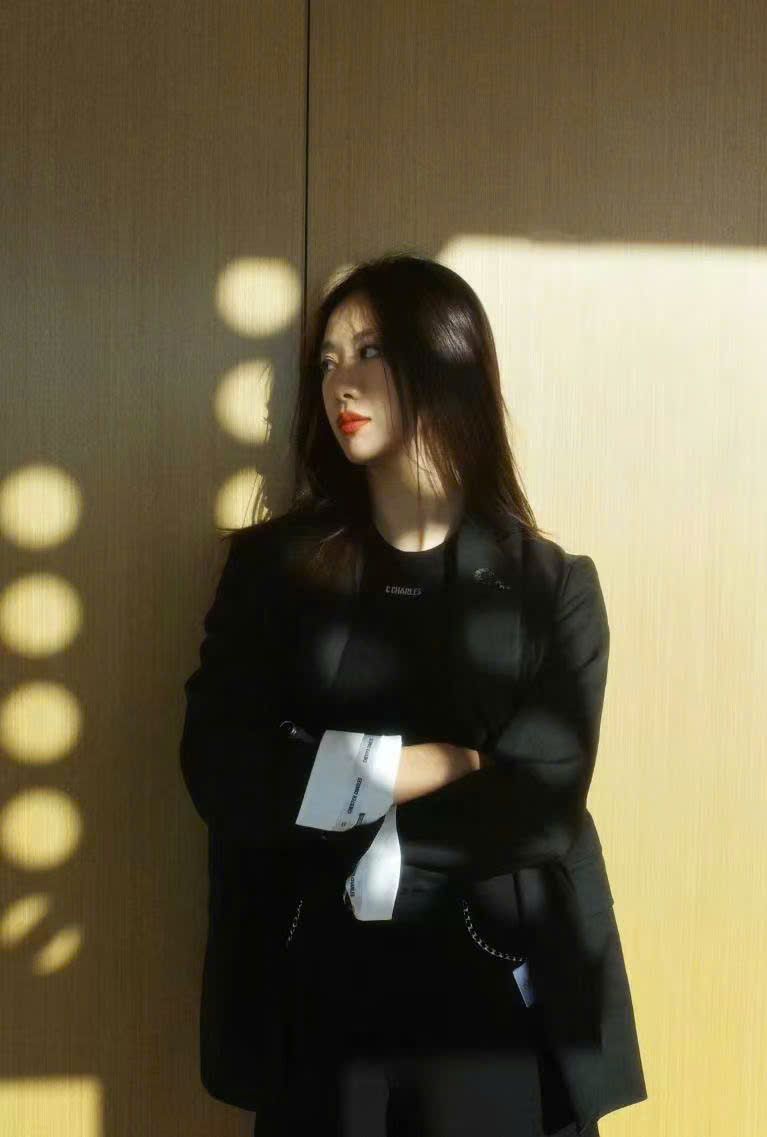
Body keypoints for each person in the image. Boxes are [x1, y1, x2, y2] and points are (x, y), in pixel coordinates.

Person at [180, 252, 647, 1136]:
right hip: (314, 992)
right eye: (326, 361)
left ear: (446, 363)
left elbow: (542, 799)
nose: (339, 383)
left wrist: (381, 839)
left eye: (369, 352)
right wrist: (428, 766)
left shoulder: (552, 587)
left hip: (500, 996)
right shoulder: (272, 572)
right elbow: (220, 766)